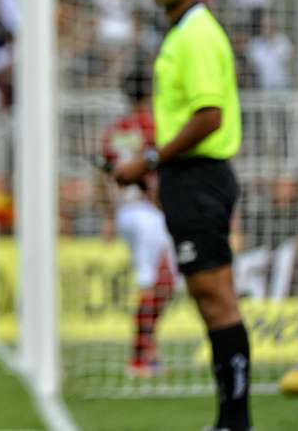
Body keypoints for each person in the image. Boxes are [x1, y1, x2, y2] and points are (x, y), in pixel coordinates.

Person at [113, 0, 251, 431]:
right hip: (186, 180)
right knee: (210, 298)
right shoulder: (179, 32)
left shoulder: (196, 35)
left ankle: (236, 421)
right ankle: (230, 419)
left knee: (217, 300)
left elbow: (209, 116)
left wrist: (148, 160)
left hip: (199, 178)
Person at [98, 68, 176, 378]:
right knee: (156, 282)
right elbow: (155, 170)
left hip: (125, 211)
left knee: (161, 281)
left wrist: (109, 216)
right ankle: (140, 357)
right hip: (148, 211)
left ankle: (148, 350)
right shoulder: (152, 125)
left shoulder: (116, 129)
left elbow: (104, 176)